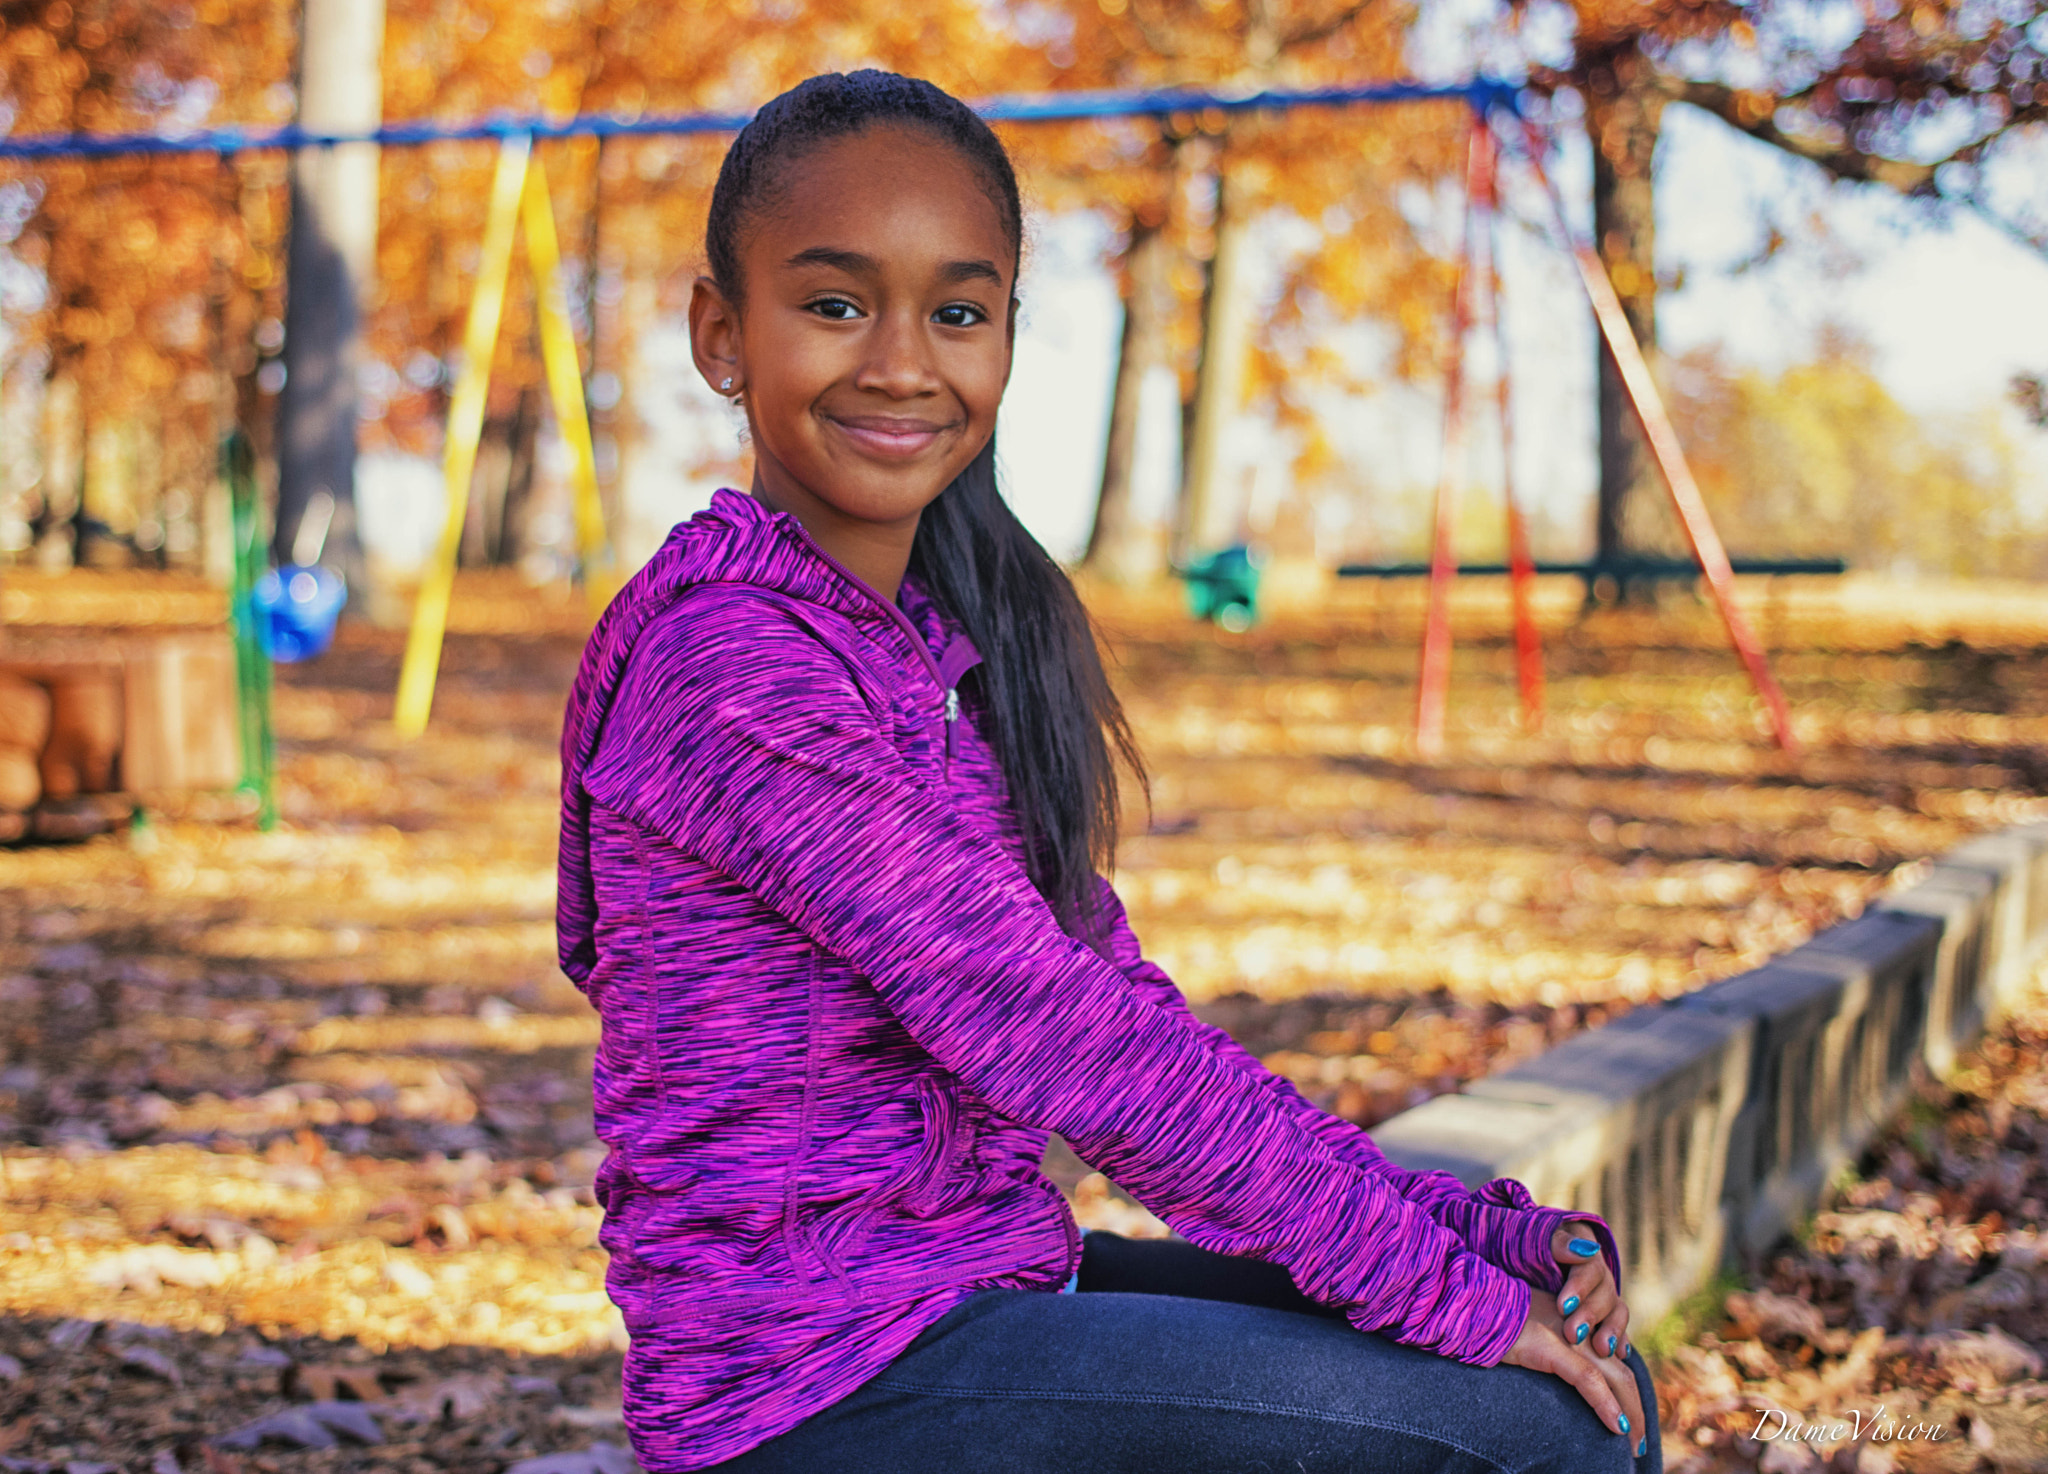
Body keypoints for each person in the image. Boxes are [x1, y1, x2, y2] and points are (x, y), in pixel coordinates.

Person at [556, 68, 1660, 1474]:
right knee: (1535, 1432)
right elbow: (1059, 1036)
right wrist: (1431, 1287)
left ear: (1006, 341)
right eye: (834, 304)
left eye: (957, 312)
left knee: (1593, 1368)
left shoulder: (925, 654)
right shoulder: (734, 660)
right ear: (723, 333)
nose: (901, 360)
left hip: (974, 1287)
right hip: (814, 1383)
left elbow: (1113, 997)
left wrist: (1463, 1233)